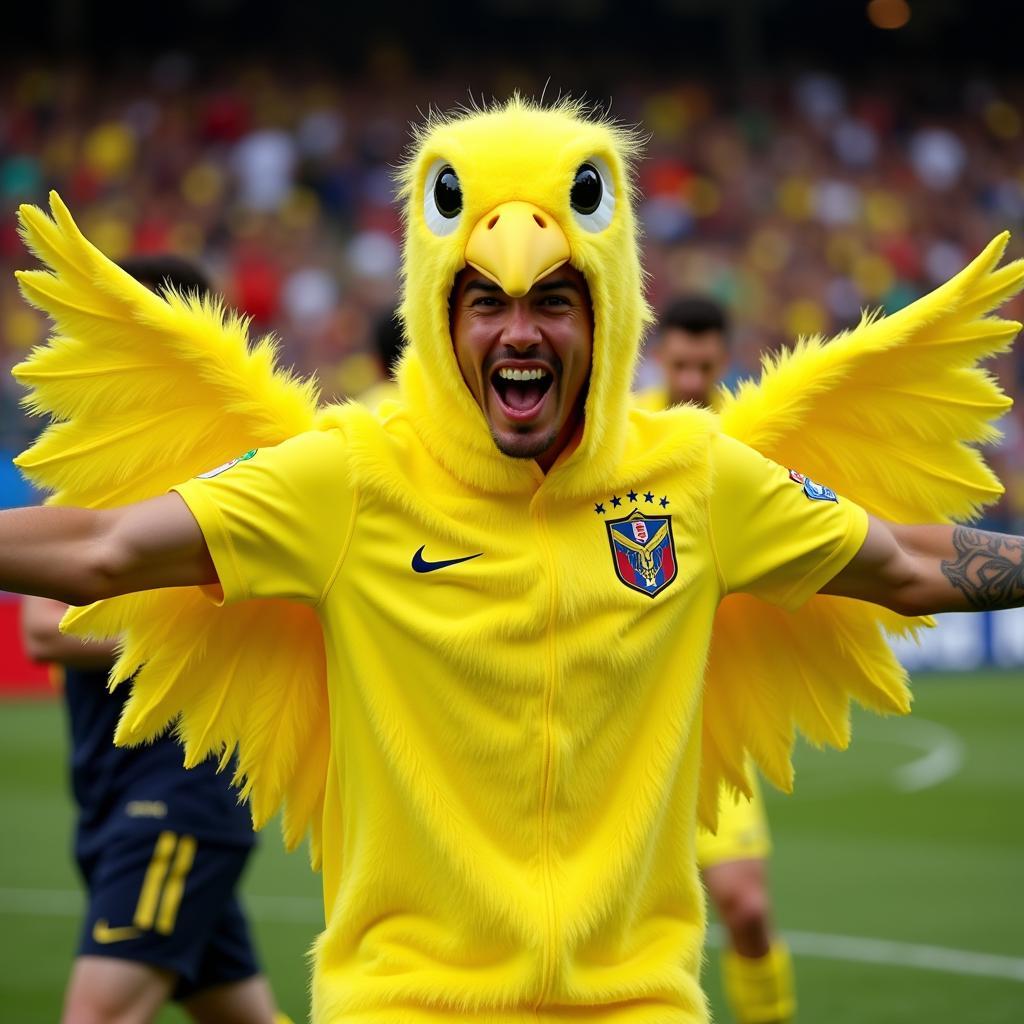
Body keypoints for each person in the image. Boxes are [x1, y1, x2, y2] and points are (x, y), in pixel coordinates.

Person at [4, 101, 1023, 1024]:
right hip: (404, 1005)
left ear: (609, 314)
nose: (518, 331)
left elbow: (902, 563)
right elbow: (102, 546)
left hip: (637, 1004)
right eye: (485, 301)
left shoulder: (696, 476)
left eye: (556, 302)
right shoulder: (349, 476)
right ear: (440, 314)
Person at [18, 257, 291, 1024]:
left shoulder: (231, 477)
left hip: (175, 800)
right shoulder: (103, 468)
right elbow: (45, 628)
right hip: (113, 794)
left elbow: (47, 627)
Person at [645, 295, 793, 1024]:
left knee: (745, 907)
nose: (693, 380)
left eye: (706, 366)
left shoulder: (752, 446)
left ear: (724, 361)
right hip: (627, 719)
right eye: (680, 365)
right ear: (658, 360)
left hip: (712, 719)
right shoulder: (622, 434)